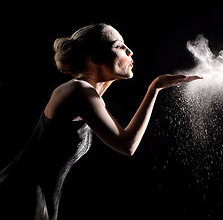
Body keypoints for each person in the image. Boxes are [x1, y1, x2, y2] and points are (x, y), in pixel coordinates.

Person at [0, 23, 202, 220]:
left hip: (36, 197)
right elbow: (128, 145)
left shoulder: (89, 97)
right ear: (96, 58)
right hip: (20, 196)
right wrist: (155, 88)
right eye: (119, 46)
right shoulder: (79, 91)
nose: (130, 51)